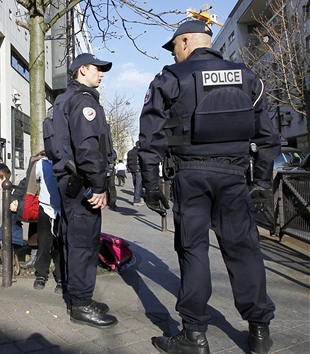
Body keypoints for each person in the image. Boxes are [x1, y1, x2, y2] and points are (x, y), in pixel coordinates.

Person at [138, 20, 279, 354]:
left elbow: (151, 136)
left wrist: (150, 182)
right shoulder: (248, 77)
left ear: (186, 41)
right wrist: (261, 181)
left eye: (174, 46)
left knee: (193, 250)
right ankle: (259, 332)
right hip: (234, 176)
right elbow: (267, 137)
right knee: (244, 250)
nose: (174, 53)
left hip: (191, 176)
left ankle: (194, 335)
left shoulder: (171, 78)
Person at [51, 53, 118, 329]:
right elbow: (88, 146)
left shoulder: (64, 99)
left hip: (71, 181)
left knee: (72, 240)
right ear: (81, 71)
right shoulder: (83, 100)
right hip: (83, 183)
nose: (101, 74)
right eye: (97, 69)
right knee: (84, 244)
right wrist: (99, 185)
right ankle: (80, 304)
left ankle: (75, 294)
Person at [12, 151, 63, 293]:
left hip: (63, 210)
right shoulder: (41, 163)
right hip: (45, 208)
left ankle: (61, 276)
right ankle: (41, 274)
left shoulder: (66, 161)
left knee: (60, 245)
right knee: (44, 244)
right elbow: (30, 186)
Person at [126, 142, 144, 206]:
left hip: (132, 169)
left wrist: (128, 168)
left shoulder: (130, 152)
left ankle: (138, 196)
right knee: (138, 184)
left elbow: (128, 160)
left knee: (135, 183)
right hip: (138, 169)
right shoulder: (140, 152)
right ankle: (137, 200)